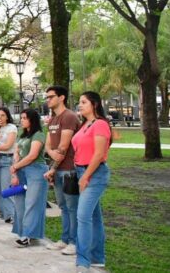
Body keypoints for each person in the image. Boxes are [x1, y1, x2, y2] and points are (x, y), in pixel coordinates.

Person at [73, 92, 112, 272]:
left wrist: (86, 176)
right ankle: (98, 258)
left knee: (82, 216)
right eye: (79, 102)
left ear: (94, 104)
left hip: (94, 174)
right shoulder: (84, 125)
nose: (80, 105)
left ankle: (83, 261)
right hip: (82, 170)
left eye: (83, 102)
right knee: (94, 217)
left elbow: (98, 154)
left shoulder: (101, 124)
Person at [42, 85, 81, 255]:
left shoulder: (69, 117)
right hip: (57, 170)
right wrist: (52, 163)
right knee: (63, 207)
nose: (48, 100)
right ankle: (64, 239)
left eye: (51, 97)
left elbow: (63, 147)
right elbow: (49, 146)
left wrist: (53, 166)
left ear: (61, 97)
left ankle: (74, 242)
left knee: (72, 208)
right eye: (47, 97)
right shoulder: (53, 120)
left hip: (69, 170)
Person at [10, 109, 48, 248]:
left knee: (32, 203)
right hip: (21, 170)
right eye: (21, 118)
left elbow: (32, 155)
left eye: (25, 118)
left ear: (32, 119)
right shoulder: (23, 135)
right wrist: (15, 169)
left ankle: (27, 234)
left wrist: (16, 166)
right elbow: (17, 151)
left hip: (36, 171)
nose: (22, 120)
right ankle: (23, 232)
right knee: (20, 203)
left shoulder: (38, 135)